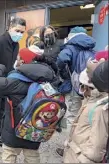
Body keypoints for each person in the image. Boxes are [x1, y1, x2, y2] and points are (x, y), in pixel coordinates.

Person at [0, 46, 61, 163]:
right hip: (36, 128)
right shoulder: (51, 78)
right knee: (32, 156)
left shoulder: (16, 79)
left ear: (24, 61)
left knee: (9, 154)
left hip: (14, 129)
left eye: (19, 58)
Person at [0, 17, 26, 146]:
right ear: (9, 27)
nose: (19, 34)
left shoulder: (16, 44)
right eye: (17, 30)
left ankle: (1, 131)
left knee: (3, 109)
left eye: (22, 32)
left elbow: (10, 63)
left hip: (7, 83)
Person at [55, 26, 96, 156]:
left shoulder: (70, 46)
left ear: (72, 35)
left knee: (71, 117)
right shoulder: (91, 48)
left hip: (74, 87)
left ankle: (68, 147)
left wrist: (64, 74)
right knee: (85, 117)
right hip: (89, 87)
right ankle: (83, 145)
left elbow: (61, 60)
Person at [63, 68, 108, 163]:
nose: (81, 91)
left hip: (80, 157)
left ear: (89, 87)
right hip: (76, 151)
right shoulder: (90, 101)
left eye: (82, 87)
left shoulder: (99, 110)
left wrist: (84, 160)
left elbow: (97, 143)